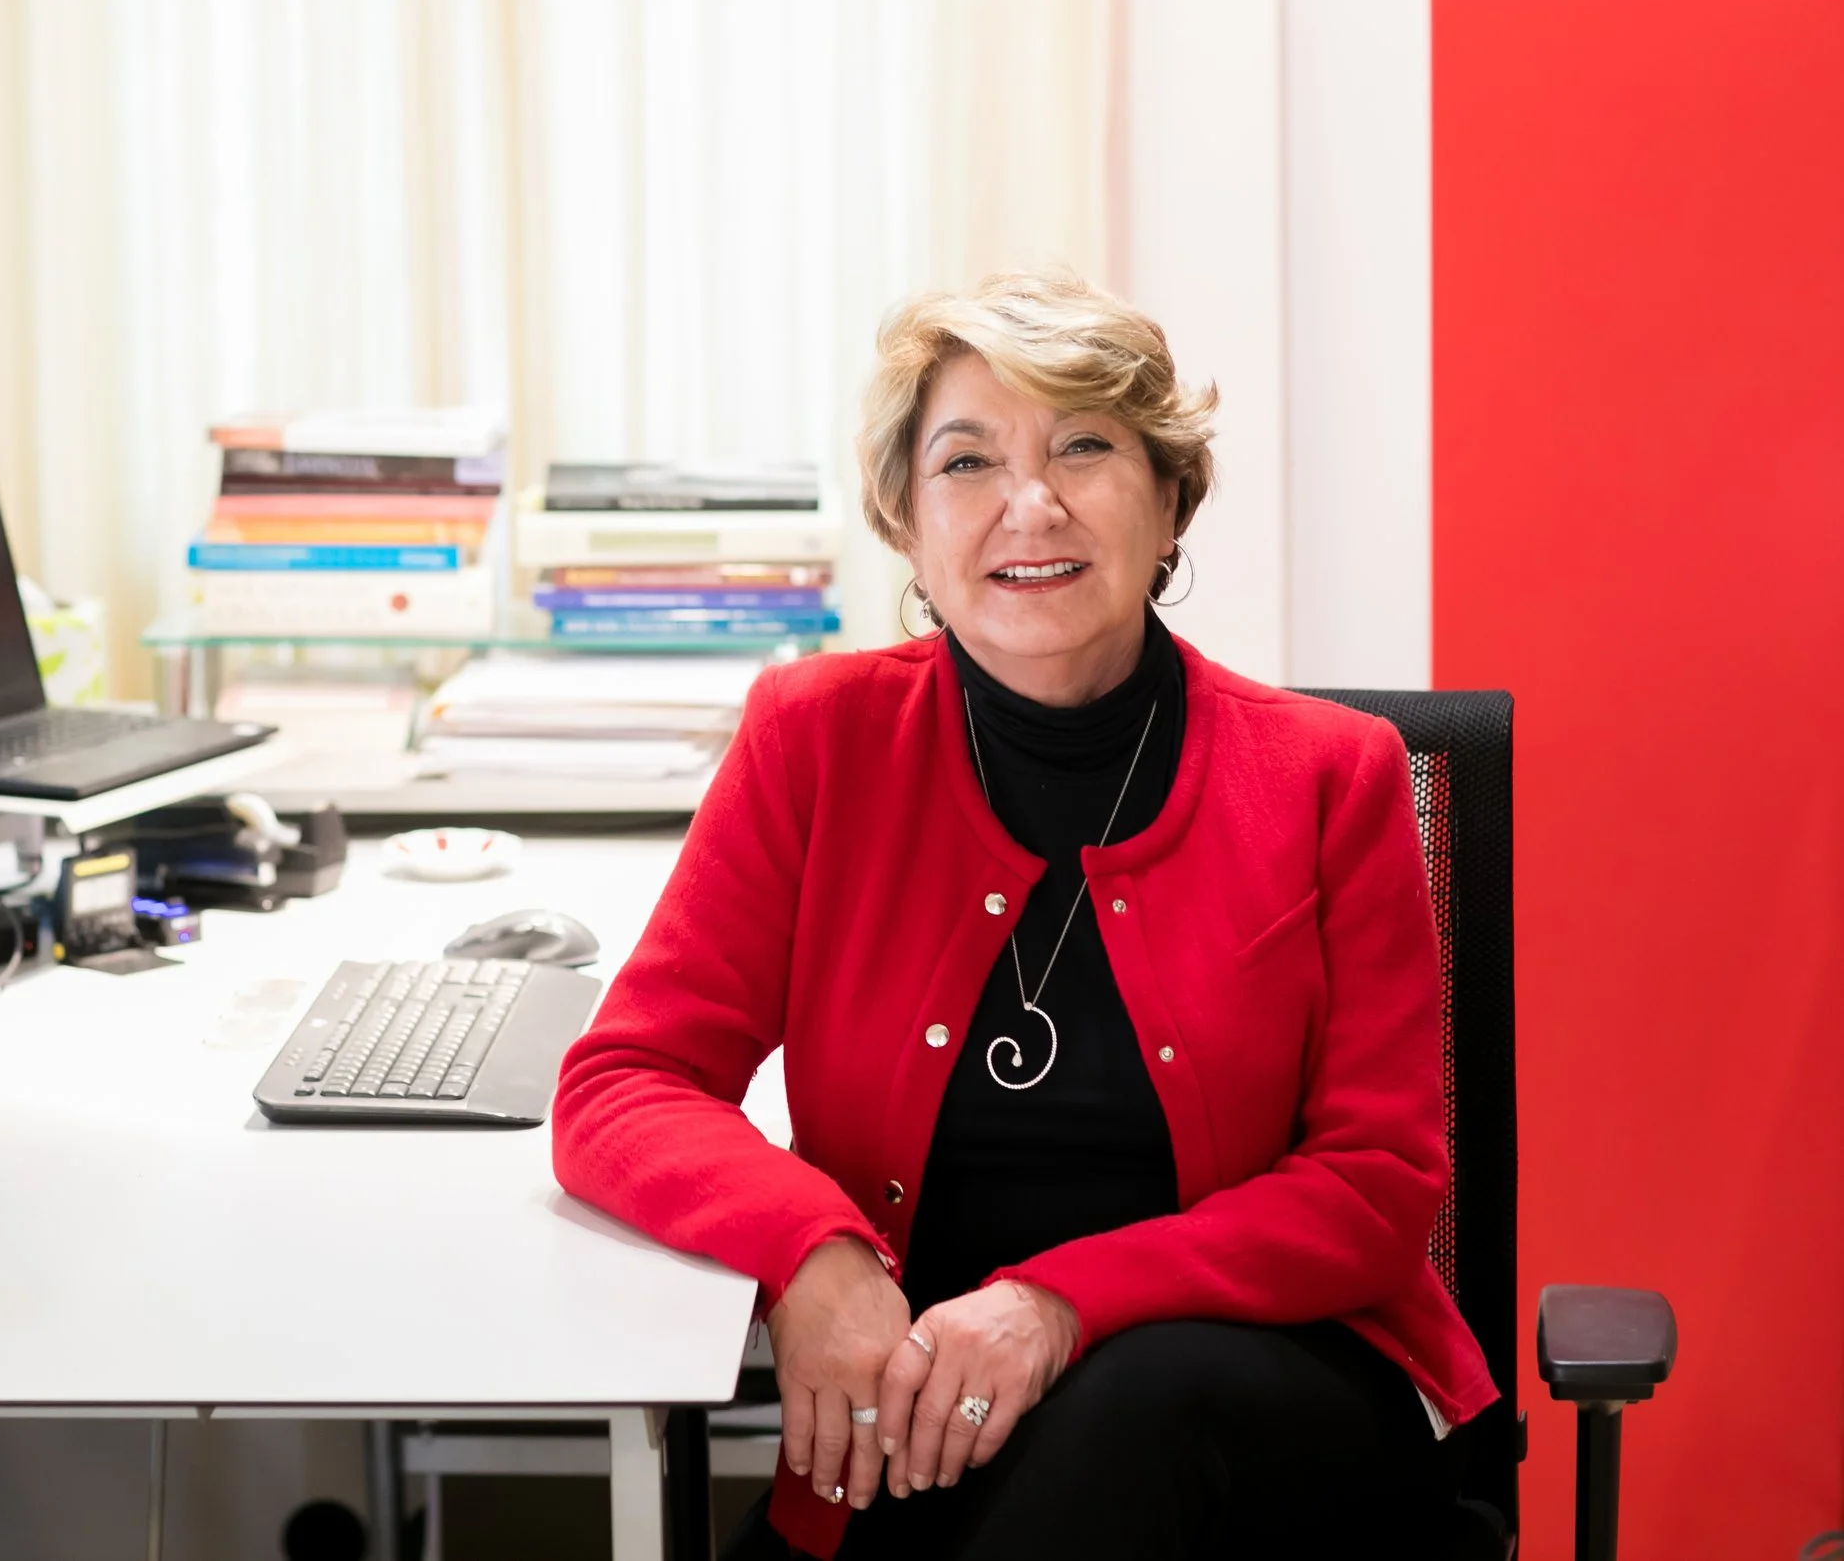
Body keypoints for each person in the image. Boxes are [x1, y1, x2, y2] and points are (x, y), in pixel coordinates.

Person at [550, 270, 1498, 1560]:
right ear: (906, 521)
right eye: (968, 460)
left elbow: (1377, 1187)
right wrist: (811, 1253)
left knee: (1141, 1407)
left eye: (1086, 448)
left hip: (1270, 1408)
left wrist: (1058, 1303)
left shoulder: (1334, 777)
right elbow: (627, 1082)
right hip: (934, 1422)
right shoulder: (817, 744)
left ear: (1171, 503)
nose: (1028, 503)